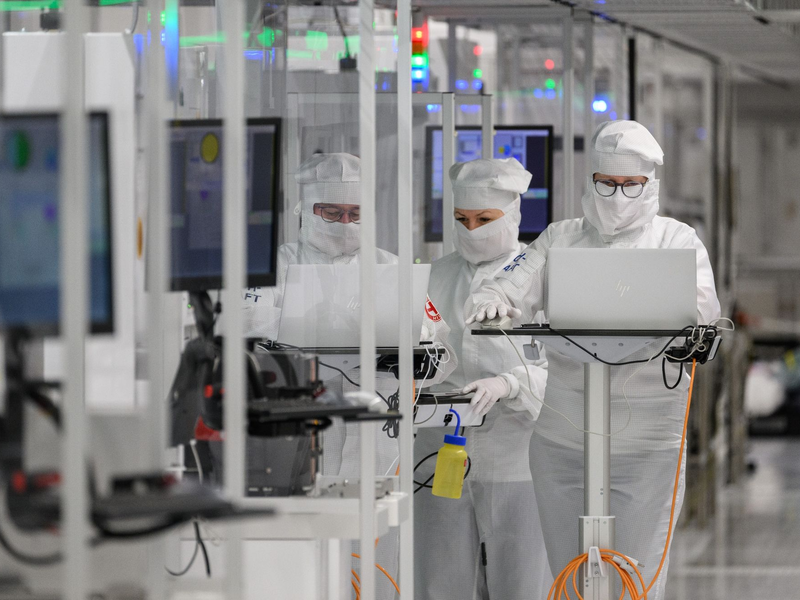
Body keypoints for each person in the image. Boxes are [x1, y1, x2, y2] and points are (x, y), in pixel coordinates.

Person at [464, 121, 721, 600]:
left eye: (631, 185)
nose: (618, 195)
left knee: (635, 579)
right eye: (607, 183)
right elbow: (509, 282)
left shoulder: (677, 240)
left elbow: (703, 310)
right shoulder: (559, 238)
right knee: (569, 575)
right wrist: (493, 299)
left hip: (649, 444)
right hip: (564, 439)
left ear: (650, 184)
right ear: (591, 180)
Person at [242, 152, 454, 600]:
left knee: (378, 556)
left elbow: (438, 342)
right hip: (297, 431)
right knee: (302, 561)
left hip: (378, 438)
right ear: (306, 209)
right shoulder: (273, 264)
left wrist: (406, 341)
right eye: (331, 212)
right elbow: (244, 320)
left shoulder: (392, 267)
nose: (344, 224)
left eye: (355, 214)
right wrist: (304, 321)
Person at [414, 158, 552, 600]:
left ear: (512, 216)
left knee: (523, 582)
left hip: (517, 455)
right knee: (441, 580)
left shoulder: (540, 276)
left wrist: (510, 383)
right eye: (462, 219)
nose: (472, 229)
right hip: (438, 454)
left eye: (484, 219)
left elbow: (567, 367)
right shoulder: (434, 277)